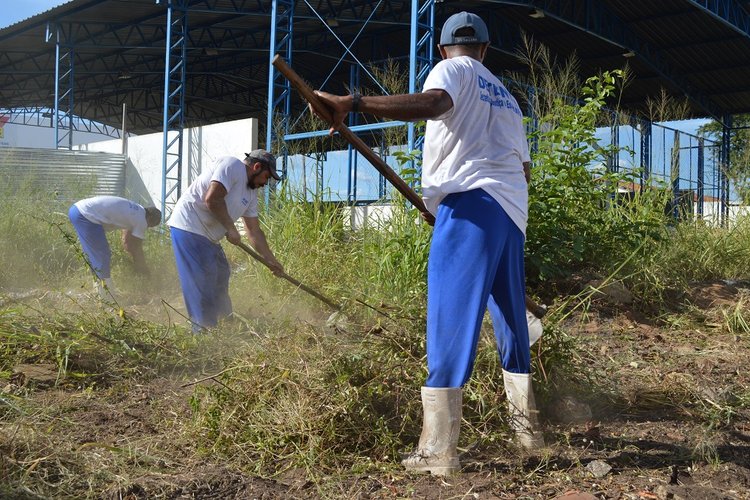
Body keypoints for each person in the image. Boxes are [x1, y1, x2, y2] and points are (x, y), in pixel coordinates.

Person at [312, 11, 543, 475]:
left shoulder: (452, 70)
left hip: (473, 204)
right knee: (511, 320)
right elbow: (522, 169)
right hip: (510, 213)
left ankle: (438, 450)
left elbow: (435, 103)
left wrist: (352, 103)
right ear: (486, 47)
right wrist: (443, 203)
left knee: (450, 317)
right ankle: (529, 432)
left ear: (442, 49)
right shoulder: (508, 99)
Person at [167, 150, 284, 332]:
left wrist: (271, 260)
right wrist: (230, 228)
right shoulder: (232, 165)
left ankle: (226, 324)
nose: (265, 183)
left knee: (221, 274)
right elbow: (212, 199)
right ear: (257, 167)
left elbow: (254, 230)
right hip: (189, 226)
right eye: (266, 177)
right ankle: (205, 332)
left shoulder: (251, 194)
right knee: (202, 280)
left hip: (210, 237)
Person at [68, 195, 161, 298]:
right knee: (102, 255)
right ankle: (105, 297)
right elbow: (136, 248)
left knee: (96, 257)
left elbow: (127, 243)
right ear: (150, 218)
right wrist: (143, 270)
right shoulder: (141, 220)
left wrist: (132, 260)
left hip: (78, 210)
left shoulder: (137, 210)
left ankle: (100, 292)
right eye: (150, 225)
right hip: (86, 215)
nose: (147, 227)